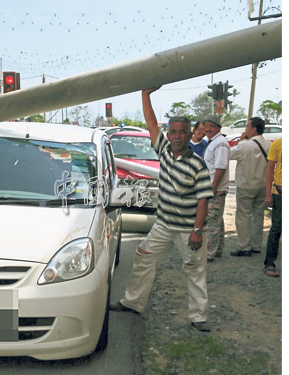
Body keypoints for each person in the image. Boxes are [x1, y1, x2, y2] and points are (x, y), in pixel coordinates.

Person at [110, 88, 214, 332]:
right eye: (173, 131)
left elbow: (203, 200)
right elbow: (150, 122)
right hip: (164, 225)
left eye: (182, 132)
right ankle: (132, 302)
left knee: (195, 271)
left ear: (190, 135)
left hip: (189, 229)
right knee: (143, 257)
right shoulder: (164, 152)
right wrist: (145, 95)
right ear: (169, 134)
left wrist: (197, 230)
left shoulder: (198, 164)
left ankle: (199, 317)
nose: (177, 136)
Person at [229, 117, 271, 257]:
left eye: (247, 127)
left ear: (253, 129)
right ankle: (256, 245)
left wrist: (241, 139)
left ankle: (244, 246)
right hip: (263, 185)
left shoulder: (244, 145)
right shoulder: (268, 145)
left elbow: (228, 154)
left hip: (246, 185)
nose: (245, 130)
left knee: (243, 216)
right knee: (258, 216)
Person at [202, 114, 230, 262]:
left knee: (212, 220)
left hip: (215, 189)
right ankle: (217, 250)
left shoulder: (220, 143)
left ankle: (209, 253)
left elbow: (221, 167)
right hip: (212, 186)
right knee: (217, 219)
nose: (208, 129)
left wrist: (213, 187)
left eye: (211, 126)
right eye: (206, 126)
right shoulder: (213, 142)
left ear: (218, 127)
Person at [263, 137, 282, 276]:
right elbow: (270, 169)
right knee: (276, 228)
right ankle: (269, 263)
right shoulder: (278, 144)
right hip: (280, 192)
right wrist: (268, 193)